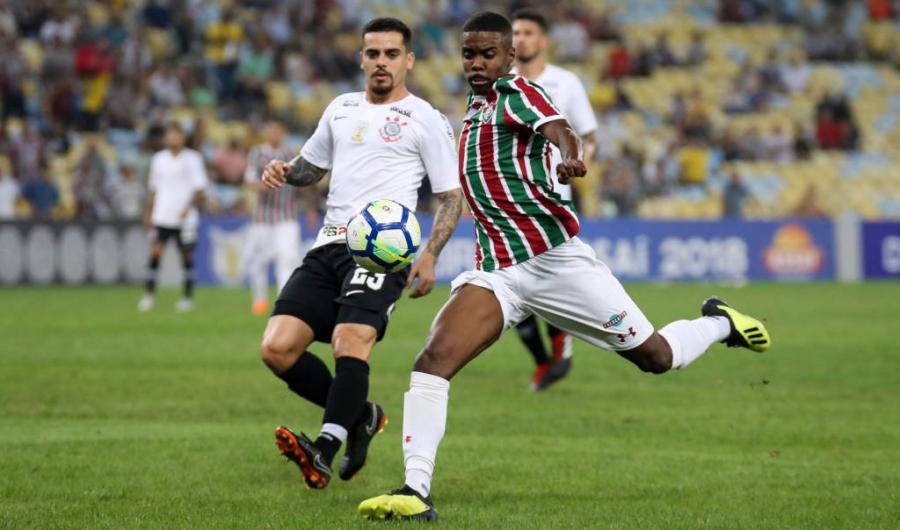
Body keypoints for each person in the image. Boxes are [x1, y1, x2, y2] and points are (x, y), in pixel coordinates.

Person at [358, 12, 772, 522]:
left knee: (656, 357)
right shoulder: (473, 106)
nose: (478, 63)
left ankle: (719, 322)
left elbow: (561, 130)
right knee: (432, 362)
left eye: (489, 54)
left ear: (509, 56)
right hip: (497, 272)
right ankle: (414, 491)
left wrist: (572, 155)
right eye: (470, 53)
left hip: (555, 262)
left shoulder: (519, 94)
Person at [257, 18, 463, 491]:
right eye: (373, 54)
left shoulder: (425, 118)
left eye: (392, 54)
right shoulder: (341, 109)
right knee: (277, 348)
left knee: (351, 340)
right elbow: (312, 167)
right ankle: (362, 415)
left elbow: (451, 196)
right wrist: (284, 170)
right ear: (362, 59)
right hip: (328, 244)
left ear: (408, 60)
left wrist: (430, 255)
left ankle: (324, 449)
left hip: (380, 254)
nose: (382, 62)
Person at [510, 8, 599, 391]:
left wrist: (579, 161)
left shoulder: (565, 82)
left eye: (528, 32)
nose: (520, 39)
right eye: (514, 33)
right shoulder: (501, 84)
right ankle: (548, 358)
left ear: (543, 40)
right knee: (510, 285)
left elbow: (589, 137)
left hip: (551, 200)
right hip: (507, 199)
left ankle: (557, 346)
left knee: (536, 282)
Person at [242, 119, 315, 315]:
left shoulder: (290, 153)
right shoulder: (257, 153)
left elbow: (304, 180)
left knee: (288, 258)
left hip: (287, 216)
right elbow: (249, 181)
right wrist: (265, 184)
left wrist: (310, 208)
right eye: (271, 131)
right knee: (258, 261)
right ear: (266, 133)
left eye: (278, 131)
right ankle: (259, 301)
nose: (274, 134)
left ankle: (283, 301)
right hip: (261, 218)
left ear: (283, 133)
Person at [138, 122, 208, 313]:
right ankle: (149, 296)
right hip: (162, 215)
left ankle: (187, 298)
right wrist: (149, 212)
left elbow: (200, 189)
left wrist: (187, 207)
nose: (172, 139)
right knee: (155, 253)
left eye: (176, 135)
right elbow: (153, 189)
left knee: (186, 256)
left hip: (185, 217)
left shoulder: (193, 159)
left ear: (183, 138)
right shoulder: (158, 159)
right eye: (169, 135)